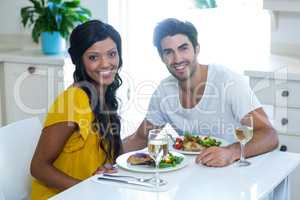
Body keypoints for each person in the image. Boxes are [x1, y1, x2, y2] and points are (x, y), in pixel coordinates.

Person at [123, 18, 278, 167]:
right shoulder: (164, 92)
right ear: (162, 57)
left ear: (196, 49)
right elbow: (141, 138)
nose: (177, 59)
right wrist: (102, 160)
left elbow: (269, 135)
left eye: (183, 49)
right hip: (194, 174)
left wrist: (231, 152)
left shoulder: (228, 82)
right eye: (169, 52)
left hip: (236, 171)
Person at [30, 20, 123, 199]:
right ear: (78, 60)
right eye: (94, 57)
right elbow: (38, 167)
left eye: (112, 54)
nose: (106, 64)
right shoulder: (74, 100)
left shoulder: (104, 95)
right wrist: (87, 190)